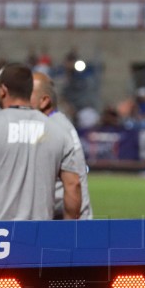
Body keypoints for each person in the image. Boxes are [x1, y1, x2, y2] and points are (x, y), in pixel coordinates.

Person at [0, 63, 81, 221]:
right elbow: (73, 185)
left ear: (3, 90)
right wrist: (68, 230)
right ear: (29, 91)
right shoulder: (58, 130)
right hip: (39, 232)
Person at [30, 71, 93, 220]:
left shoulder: (53, 130)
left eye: (27, 95)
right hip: (68, 219)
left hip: (66, 221)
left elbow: (73, 185)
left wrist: (67, 233)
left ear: (44, 101)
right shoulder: (58, 123)